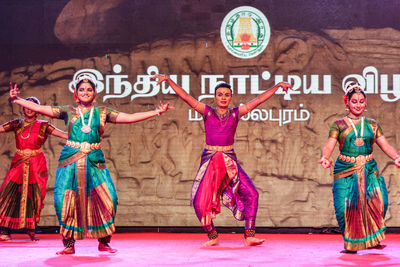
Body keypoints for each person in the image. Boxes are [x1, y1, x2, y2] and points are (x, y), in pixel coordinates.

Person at [9, 74, 173, 255]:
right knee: (64, 201)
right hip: (70, 162)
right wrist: (17, 100)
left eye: (89, 90)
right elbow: (40, 108)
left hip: (95, 161)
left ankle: (104, 241)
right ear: (75, 93)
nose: (85, 93)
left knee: (109, 199)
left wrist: (156, 112)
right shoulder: (68, 110)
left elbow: (129, 117)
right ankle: (69, 244)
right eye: (81, 90)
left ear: (95, 93)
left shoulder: (102, 112)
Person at [152, 74, 291, 246]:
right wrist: (168, 80)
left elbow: (259, 100)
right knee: (199, 202)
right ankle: (213, 236)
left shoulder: (235, 113)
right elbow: (186, 97)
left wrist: (277, 86)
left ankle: (249, 236)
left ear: (231, 97)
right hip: (210, 161)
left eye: (226, 95)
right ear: (215, 97)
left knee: (252, 194)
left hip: (229, 162)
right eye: (220, 94)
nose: (223, 97)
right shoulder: (207, 112)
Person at [319, 82, 400, 253]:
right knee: (344, 210)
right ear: (346, 102)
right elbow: (330, 144)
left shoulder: (372, 124)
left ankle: (372, 238)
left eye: (361, 101)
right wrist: (325, 158)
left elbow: (385, 145)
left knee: (380, 203)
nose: (358, 105)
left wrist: (396, 157)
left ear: (366, 103)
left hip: (369, 170)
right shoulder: (339, 124)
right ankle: (351, 244)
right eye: (354, 101)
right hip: (345, 171)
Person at [0, 95, 67, 242]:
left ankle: (31, 228)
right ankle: (4, 230)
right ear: (23, 109)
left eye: (32, 106)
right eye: (26, 106)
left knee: (35, 196)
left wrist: (83, 135)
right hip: (19, 162)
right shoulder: (16, 124)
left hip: (37, 164)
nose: (29, 109)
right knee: (7, 193)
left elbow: (64, 135)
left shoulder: (44, 125)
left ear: (37, 110)